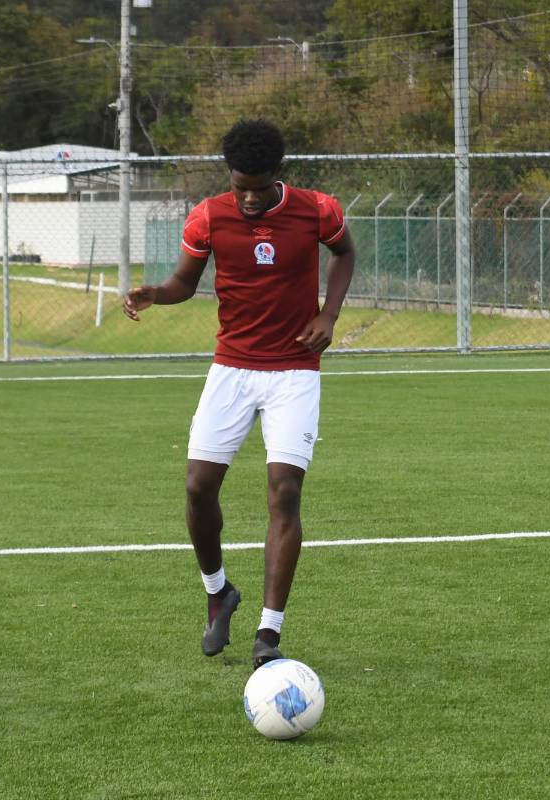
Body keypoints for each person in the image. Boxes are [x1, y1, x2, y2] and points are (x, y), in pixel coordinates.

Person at [122, 119, 356, 670]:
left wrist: (328, 314)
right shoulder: (208, 216)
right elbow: (185, 282)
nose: (247, 198)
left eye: (257, 187)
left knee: (284, 493)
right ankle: (218, 592)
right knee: (199, 487)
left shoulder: (317, 209)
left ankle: (268, 633)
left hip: (295, 369)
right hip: (231, 367)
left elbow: (345, 254)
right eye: (238, 186)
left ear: (278, 174)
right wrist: (157, 292)